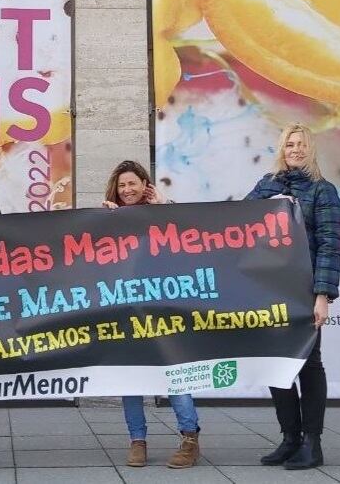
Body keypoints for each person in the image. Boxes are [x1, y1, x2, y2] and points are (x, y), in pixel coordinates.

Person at [244, 123, 340, 470]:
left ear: (310, 149)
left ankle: (311, 443)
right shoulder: (265, 185)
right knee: (277, 364)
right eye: (290, 144)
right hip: (270, 290)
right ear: (282, 148)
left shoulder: (323, 191)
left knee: (308, 364)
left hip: (304, 290)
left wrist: (323, 296)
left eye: (301, 144)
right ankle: (289, 439)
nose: (296, 149)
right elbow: (232, 225)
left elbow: (330, 245)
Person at [101, 160, 201, 469]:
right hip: (126, 311)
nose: (127, 190)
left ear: (146, 185)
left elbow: (191, 235)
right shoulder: (107, 218)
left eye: (132, 183)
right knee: (130, 377)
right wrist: (101, 221)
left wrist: (165, 208)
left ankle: (189, 438)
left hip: (162, 308)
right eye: (122, 186)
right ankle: (137, 440)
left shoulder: (163, 214)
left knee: (174, 373)